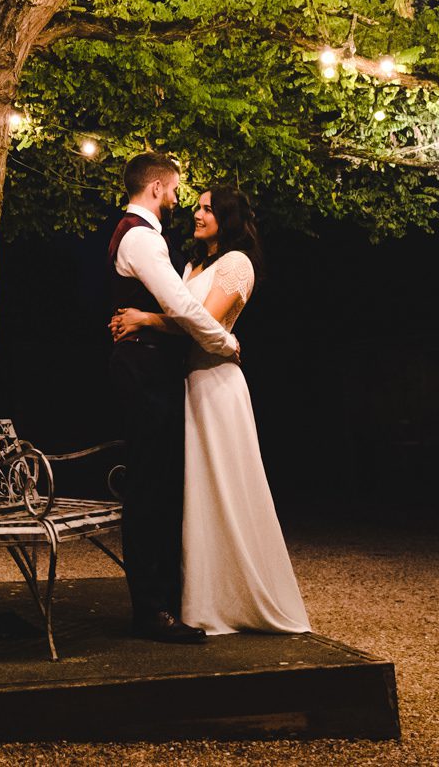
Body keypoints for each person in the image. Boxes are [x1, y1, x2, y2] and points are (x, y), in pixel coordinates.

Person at [111, 185, 310, 635]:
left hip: (217, 382)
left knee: (224, 485)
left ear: (228, 216)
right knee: (193, 492)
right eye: (197, 207)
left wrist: (144, 319)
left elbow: (203, 323)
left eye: (207, 209)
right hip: (187, 383)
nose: (197, 215)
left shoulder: (236, 264)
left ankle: (236, 593)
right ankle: (197, 590)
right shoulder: (192, 264)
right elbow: (185, 313)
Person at [102, 153, 241, 644]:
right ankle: (152, 612)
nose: (180, 200)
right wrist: (224, 342)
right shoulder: (141, 238)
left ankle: (166, 599)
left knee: (159, 486)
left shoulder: (141, 236)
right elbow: (179, 305)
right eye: (177, 189)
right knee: (150, 489)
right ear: (158, 187)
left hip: (148, 366)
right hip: (143, 369)